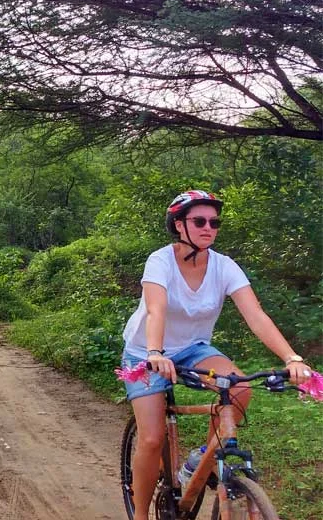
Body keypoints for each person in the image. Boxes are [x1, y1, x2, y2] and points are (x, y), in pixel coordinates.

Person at [121, 190, 312, 520]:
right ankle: (140, 515)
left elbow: (256, 316)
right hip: (146, 352)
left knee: (239, 387)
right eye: (199, 221)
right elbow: (156, 310)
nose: (208, 227)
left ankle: (201, 460)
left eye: (214, 222)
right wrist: (154, 352)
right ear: (179, 225)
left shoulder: (224, 266)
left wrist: (291, 357)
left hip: (194, 348)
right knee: (152, 439)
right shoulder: (161, 260)